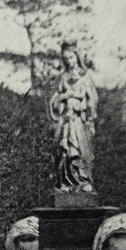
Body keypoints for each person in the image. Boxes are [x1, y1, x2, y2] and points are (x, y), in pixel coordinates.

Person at [49, 42, 99, 195]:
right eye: (66, 59)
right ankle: (65, 182)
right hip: (66, 120)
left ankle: (83, 181)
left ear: (77, 57)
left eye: (71, 57)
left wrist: (89, 117)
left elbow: (93, 99)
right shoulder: (62, 78)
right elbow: (54, 100)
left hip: (79, 120)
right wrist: (65, 96)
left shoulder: (85, 77)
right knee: (64, 151)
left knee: (80, 150)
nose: (69, 61)